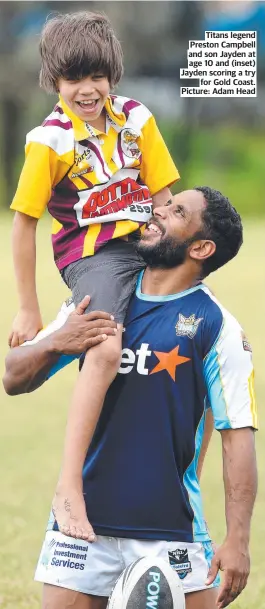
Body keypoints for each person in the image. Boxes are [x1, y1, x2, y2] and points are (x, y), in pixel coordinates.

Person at [4, 188, 258, 609]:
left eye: (177, 212)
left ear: (201, 247)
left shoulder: (218, 328)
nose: (157, 209)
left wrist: (239, 541)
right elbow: (12, 377)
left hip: (173, 528)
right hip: (81, 523)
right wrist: (57, 343)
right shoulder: (103, 299)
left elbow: (238, 437)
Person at [8, 11, 179, 540]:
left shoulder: (137, 117)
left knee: (201, 328)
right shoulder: (50, 140)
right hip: (94, 258)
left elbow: (165, 196)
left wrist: (176, 254)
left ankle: (174, 486)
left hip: (148, 245)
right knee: (104, 347)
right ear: (53, 80)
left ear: (113, 73)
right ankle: (69, 487)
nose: (86, 89)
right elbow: (23, 226)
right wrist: (27, 308)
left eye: (95, 76)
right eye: (72, 79)